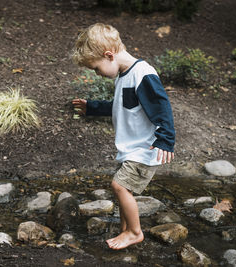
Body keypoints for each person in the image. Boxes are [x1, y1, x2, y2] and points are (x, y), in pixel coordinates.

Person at [71, 23, 175, 250]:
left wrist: (166, 139)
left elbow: (162, 108)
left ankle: (135, 232)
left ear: (109, 55)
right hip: (133, 150)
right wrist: (94, 108)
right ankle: (126, 230)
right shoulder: (124, 75)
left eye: (96, 68)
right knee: (122, 187)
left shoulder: (142, 74)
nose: (97, 73)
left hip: (146, 148)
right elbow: (120, 106)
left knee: (119, 186)